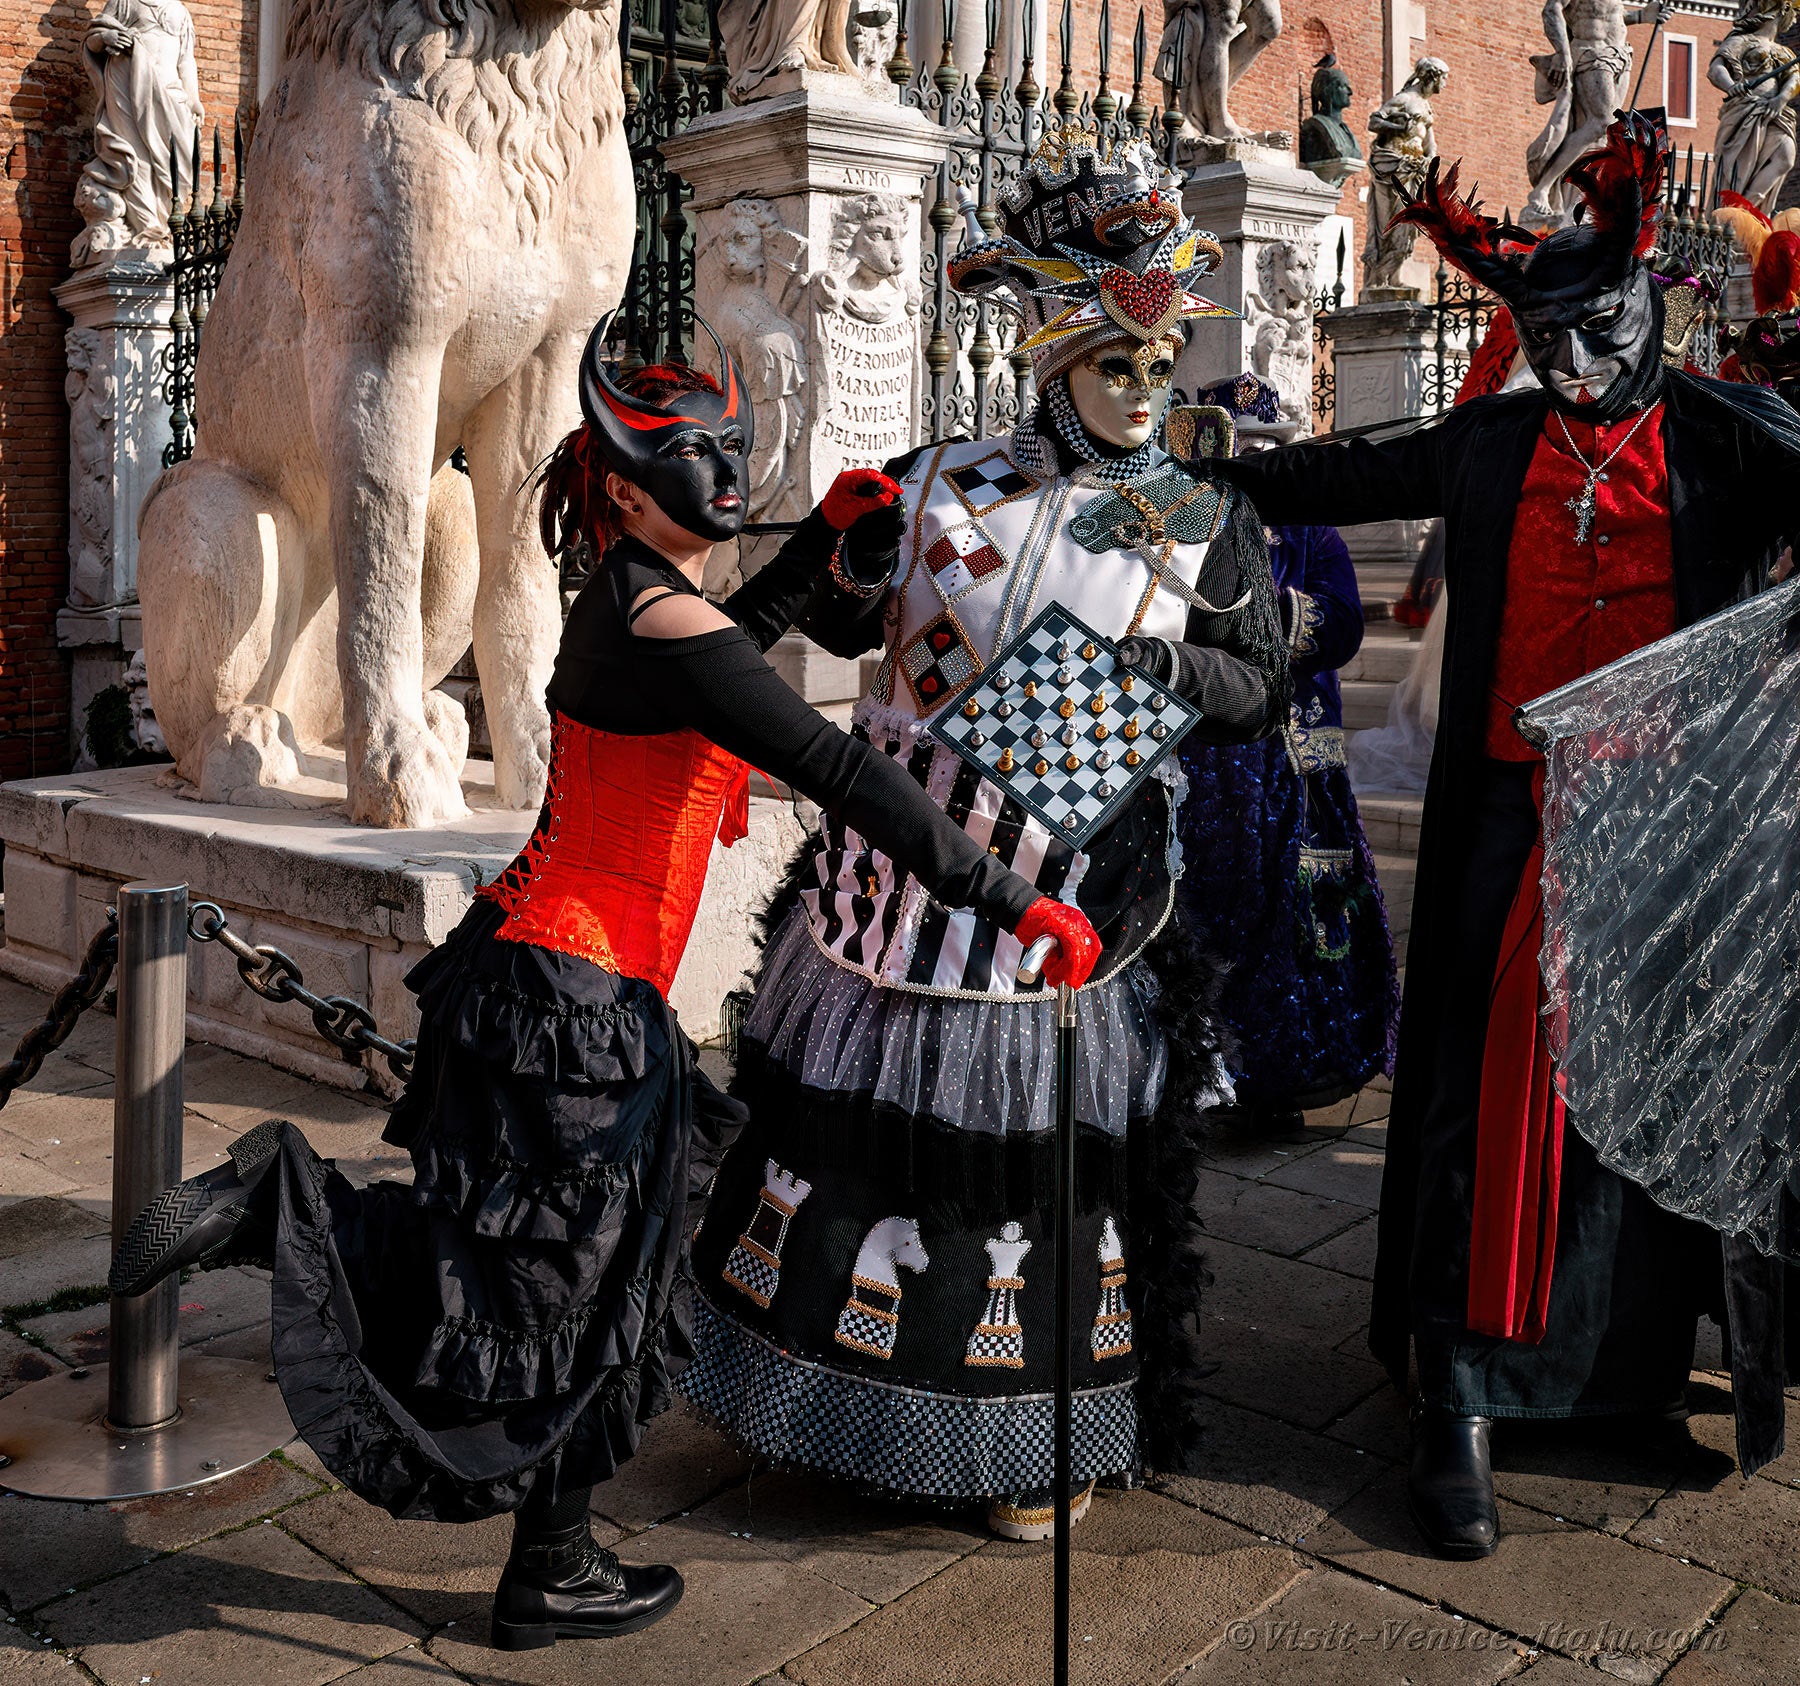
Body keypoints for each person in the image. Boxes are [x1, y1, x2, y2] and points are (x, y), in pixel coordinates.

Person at [108, 328, 1101, 1649]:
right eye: (694, 457)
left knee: (586, 1280)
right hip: (573, 993)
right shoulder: (666, 622)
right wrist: (1016, 896)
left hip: (559, 978)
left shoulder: (634, 599)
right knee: (536, 1285)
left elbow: (725, 659)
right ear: (626, 488)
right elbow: (839, 766)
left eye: (734, 451)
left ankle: (553, 1564)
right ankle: (282, 1200)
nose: (726, 476)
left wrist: (809, 556)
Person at [679, 122, 1291, 1541]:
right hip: (895, 899)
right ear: (1052, 360)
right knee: (866, 1172)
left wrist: (1168, 675)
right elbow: (833, 622)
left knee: (1032, 1195)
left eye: (1158, 364)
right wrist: (840, 546)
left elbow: (1255, 684)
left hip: (1073, 904)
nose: (1144, 392)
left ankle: (1033, 1443)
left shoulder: (1203, 518)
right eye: (1113, 366)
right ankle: (834, 1416)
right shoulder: (943, 478)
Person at [1211, 111, 1800, 1560]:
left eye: (1599, 335)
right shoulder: (1494, 440)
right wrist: (1179, 456)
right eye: (1551, 344)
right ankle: (1464, 1394)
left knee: (1658, 1108)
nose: (1580, 371)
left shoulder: (1734, 441)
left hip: (1676, 845)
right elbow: (1333, 478)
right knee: (1498, 1110)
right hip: (1512, 834)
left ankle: (1622, 1373)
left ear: (1650, 308)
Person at [1175, 374, 1397, 1133]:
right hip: (1211, 766)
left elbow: (1343, 626)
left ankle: (1278, 1084)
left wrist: (1264, 621)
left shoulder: (1312, 532)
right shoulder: (1184, 526)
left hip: (1299, 761)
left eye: (1269, 448)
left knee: (1299, 923)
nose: (1258, 463)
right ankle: (1197, 1080)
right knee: (1208, 915)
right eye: (1244, 448)